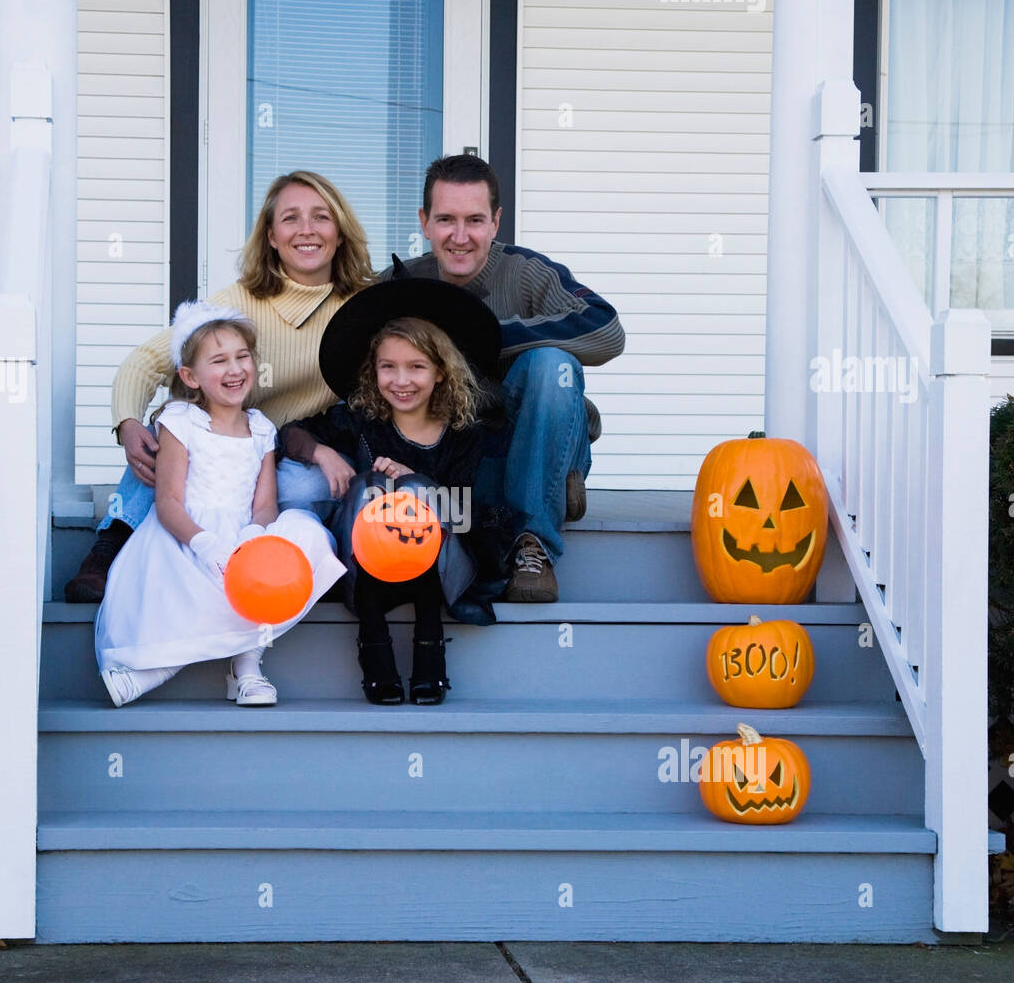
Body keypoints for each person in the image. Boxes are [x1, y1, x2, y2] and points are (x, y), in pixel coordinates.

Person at [65, 170, 372, 602]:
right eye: (290, 219)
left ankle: (292, 565)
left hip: (302, 448)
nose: (306, 230)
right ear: (270, 236)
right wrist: (127, 423)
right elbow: (144, 362)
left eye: (321, 217)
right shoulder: (240, 300)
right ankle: (110, 545)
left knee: (307, 489)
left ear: (340, 233)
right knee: (165, 432)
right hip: (230, 440)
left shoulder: (365, 304)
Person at [378, 154, 625, 603]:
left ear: (495, 221)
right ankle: (552, 481)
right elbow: (354, 350)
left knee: (554, 366)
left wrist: (486, 336)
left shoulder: (527, 272)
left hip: (526, 427)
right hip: (461, 457)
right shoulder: (403, 283)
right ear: (424, 222)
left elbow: (606, 330)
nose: (460, 236)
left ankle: (534, 545)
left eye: (474, 220)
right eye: (445, 220)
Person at [95, 301, 345, 707]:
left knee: (301, 537)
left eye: (242, 357)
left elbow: (264, 505)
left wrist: (252, 538)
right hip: (188, 536)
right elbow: (168, 500)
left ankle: (246, 666)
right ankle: (157, 667)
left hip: (244, 533)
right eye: (219, 361)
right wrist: (205, 543)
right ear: (190, 376)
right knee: (198, 584)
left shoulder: (262, 428)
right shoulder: (180, 421)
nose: (234, 369)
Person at [279, 279, 502, 704]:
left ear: (440, 372)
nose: (402, 381)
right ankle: (373, 642)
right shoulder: (364, 418)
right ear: (373, 370)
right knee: (369, 488)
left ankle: (430, 642)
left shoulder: (465, 432)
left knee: (412, 491)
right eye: (388, 367)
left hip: (440, 564)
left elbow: (471, 515)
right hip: (370, 572)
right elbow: (292, 434)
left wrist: (416, 483)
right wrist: (322, 451)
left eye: (416, 367)